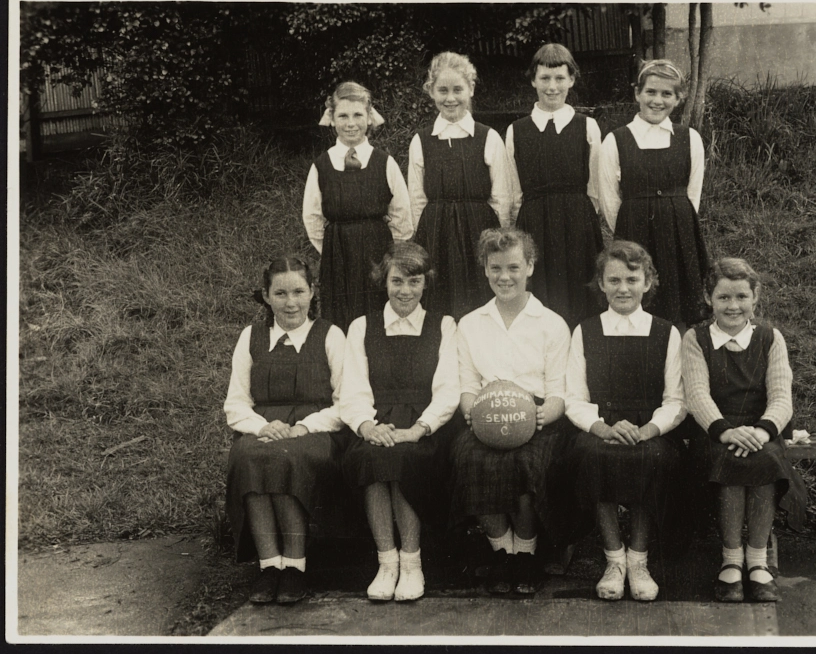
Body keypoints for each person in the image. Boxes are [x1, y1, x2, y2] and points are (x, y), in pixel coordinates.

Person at [450, 227, 572, 596]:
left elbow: (558, 393)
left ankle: (527, 554)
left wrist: (539, 417)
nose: (504, 277)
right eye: (495, 268)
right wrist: (473, 413)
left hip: (536, 418)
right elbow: (468, 385)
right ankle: (502, 551)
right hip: (485, 418)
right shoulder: (470, 324)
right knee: (472, 461)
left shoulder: (552, 323)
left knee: (522, 466)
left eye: (514, 267)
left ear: (530, 267)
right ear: (485, 270)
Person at [564, 240, 688, 601]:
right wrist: (603, 428)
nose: (623, 288)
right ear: (600, 284)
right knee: (592, 457)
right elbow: (574, 397)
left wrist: (648, 430)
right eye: (614, 280)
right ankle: (614, 559)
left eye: (632, 279)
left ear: (647, 283)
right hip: (601, 427)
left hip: (650, 428)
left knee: (653, 459)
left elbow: (676, 400)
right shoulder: (585, 330)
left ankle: (638, 560)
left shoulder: (667, 332)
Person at [681, 257, 807, 603]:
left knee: (764, 460)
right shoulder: (696, 338)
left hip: (761, 432)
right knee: (731, 463)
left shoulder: (770, 338)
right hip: (716, 434)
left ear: (755, 297)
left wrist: (763, 432)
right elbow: (696, 395)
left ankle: (757, 561)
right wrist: (726, 431)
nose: (733, 306)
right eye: (723, 298)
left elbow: (782, 396)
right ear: (709, 299)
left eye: (741, 297)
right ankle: (731, 560)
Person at [339, 242, 460, 602]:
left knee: (406, 458)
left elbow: (448, 389)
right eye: (397, 281)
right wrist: (367, 427)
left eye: (414, 281)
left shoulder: (444, 325)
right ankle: (386, 561)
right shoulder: (362, 326)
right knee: (373, 458)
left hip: (425, 426)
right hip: (378, 422)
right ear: (384, 281)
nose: (405, 291)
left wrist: (419, 428)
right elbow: (354, 388)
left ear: (426, 283)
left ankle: (411, 562)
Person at [224, 256, 348, 604]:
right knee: (249, 458)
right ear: (266, 296)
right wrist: (264, 427)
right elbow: (235, 404)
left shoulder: (330, 335)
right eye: (280, 293)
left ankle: (294, 566)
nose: (291, 302)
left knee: (288, 459)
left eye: (298, 291)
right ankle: (269, 567)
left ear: (312, 293)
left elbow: (344, 403)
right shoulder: (251, 337)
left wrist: (304, 427)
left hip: (315, 433)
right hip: (262, 429)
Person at [598, 59, 710, 330]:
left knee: (679, 304)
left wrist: (678, 223)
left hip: (678, 231)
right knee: (639, 300)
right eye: (651, 92)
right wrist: (630, 228)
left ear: (678, 98)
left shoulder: (690, 138)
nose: (657, 100)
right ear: (637, 93)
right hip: (635, 231)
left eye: (666, 94)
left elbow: (692, 195)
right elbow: (609, 200)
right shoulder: (616, 140)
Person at [409, 51, 514, 320]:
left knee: (481, 298)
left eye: (458, 89)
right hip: (436, 232)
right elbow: (417, 199)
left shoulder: (488, 137)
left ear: (471, 89)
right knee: (438, 300)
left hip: (478, 231)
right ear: (431, 92)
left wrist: (495, 241)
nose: (450, 98)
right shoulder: (421, 141)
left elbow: (501, 196)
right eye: (442, 90)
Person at [505, 43, 603, 329]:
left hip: (578, 222)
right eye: (545, 78)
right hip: (535, 223)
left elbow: (596, 188)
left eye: (560, 78)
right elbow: (513, 189)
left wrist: (583, 217)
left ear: (572, 79)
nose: (552, 86)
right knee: (539, 295)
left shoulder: (587, 126)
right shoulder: (516, 130)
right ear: (533, 79)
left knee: (581, 292)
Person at [303, 81, 412, 331]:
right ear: (331, 118)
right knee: (340, 317)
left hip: (377, 253)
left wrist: (387, 254)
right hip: (338, 254)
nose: (350, 123)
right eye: (342, 116)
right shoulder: (321, 165)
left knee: (377, 314)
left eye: (357, 115)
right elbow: (312, 217)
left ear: (369, 117)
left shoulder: (385, 162)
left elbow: (402, 214)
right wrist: (332, 249)